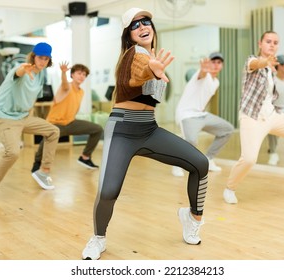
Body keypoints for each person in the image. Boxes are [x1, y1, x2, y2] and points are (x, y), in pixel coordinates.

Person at [81, 7, 209, 260]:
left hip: (148, 129)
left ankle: (192, 217)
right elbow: (135, 76)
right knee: (108, 191)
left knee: (200, 163)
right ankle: (98, 238)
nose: (142, 27)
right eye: (135, 25)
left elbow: (148, 81)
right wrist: (151, 69)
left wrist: (155, 67)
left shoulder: (153, 56)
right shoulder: (134, 55)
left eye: (146, 22)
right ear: (128, 35)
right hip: (122, 130)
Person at [223, 31, 284, 204]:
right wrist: (264, 62)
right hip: (252, 117)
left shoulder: (272, 69)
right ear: (260, 43)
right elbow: (256, 63)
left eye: (275, 42)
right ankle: (230, 188)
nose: (272, 45)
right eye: (268, 41)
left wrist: (270, 65)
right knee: (249, 159)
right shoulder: (252, 61)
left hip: (272, 115)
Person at [0, 42, 60, 201]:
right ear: (33, 56)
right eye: (40, 57)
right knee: (13, 152)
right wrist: (23, 70)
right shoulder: (22, 69)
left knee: (53, 131)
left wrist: (28, 117)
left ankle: (43, 172)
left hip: (23, 117)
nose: (42, 61)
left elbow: (31, 100)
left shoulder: (40, 76)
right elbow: (18, 73)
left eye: (46, 59)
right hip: (4, 117)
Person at [31, 62, 103, 172]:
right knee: (46, 142)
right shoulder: (67, 87)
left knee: (97, 129)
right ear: (72, 75)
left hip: (70, 123)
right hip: (55, 124)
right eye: (79, 73)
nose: (81, 76)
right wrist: (63, 73)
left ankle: (85, 157)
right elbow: (64, 84)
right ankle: (37, 163)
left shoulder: (81, 92)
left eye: (84, 74)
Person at [172, 52, 234, 176]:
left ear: (222, 65)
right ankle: (176, 164)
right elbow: (202, 74)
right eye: (213, 62)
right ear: (208, 63)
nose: (216, 65)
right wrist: (203, 71)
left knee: (227, 130)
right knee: (191, 141)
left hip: (201, 114)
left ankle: (209, 159)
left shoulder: (216, 82)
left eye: (219, 63)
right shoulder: (200, 75)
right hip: (187, 115)